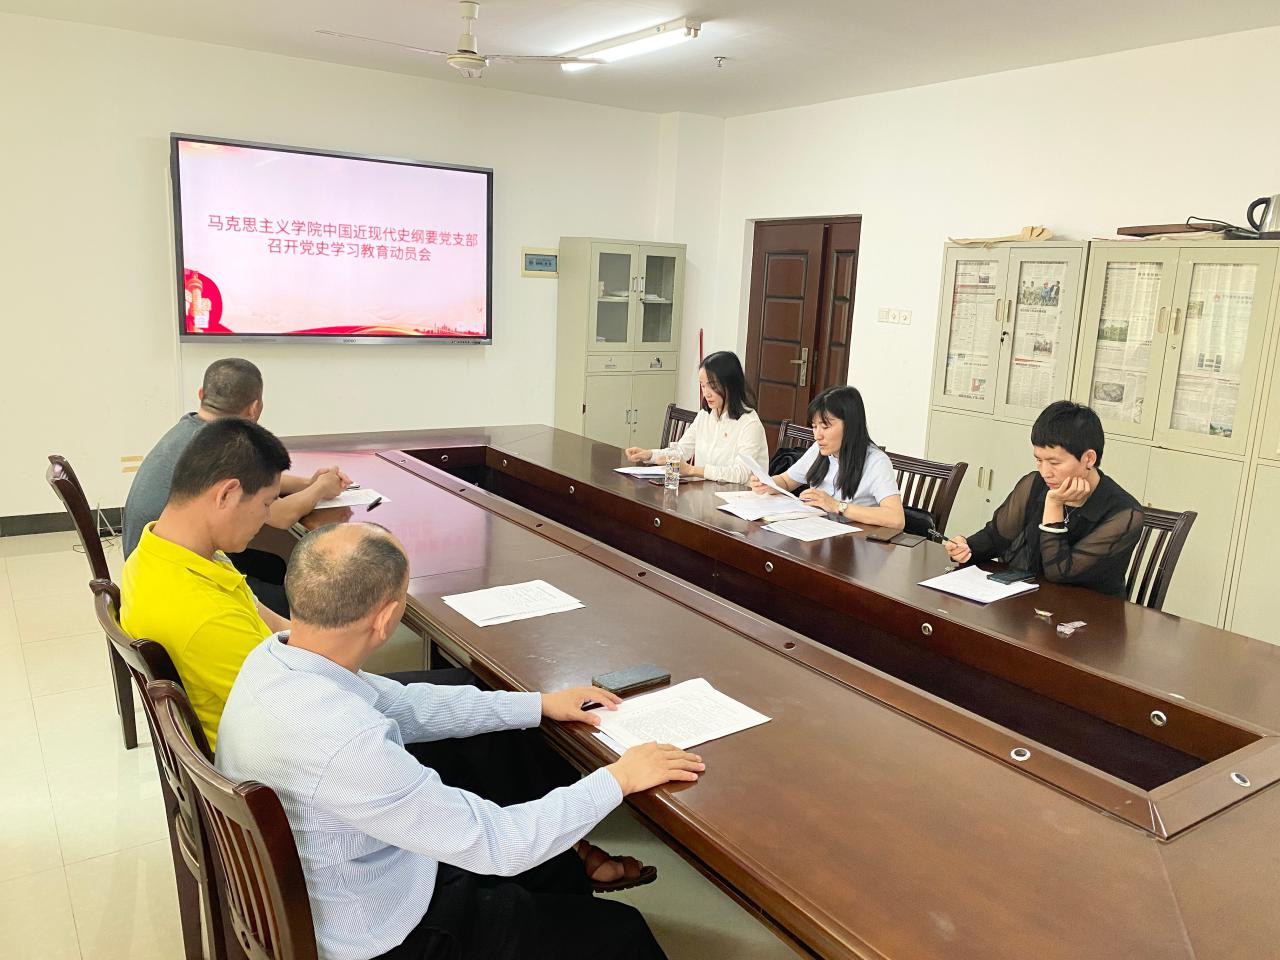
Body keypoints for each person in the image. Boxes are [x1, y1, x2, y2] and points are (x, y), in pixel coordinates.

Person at [217, 522, 702, 960]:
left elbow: (407, 704)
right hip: (383, 932)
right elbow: (499, 843)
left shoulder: (275, 660)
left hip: (351, 881)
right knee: (623, 933)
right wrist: (618, 778)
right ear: (386, 619)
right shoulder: (348, 745)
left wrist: (538, 705)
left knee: (544, 872)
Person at [122, 357, 350, 614]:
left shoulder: (193, 429)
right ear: (254, 408)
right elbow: (281, 516)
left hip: (147, 559)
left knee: (273, 565)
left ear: (201, 395)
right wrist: (319, 489)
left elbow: (252, 479)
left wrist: (307, 483)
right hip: (175, 575)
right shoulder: (223, 445)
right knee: (296, 598)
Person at [121, 417, 294, 750]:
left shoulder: (156, 552)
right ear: (226, 494)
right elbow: (297, 714)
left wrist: (318, 644)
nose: (266, 518)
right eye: (266, 504)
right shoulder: (205, 616)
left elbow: (266, 617)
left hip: (264, 711)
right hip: (267, 755)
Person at [943, 400, 1144, 597]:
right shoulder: (1034, 483)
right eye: (1039, 460)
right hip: (1031, 602)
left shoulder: (1124, 514)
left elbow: (1060, 571)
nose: (1045, 472)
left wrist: (1054, 505)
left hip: (1089, 612)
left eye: (1054, 462)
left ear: (1089, 459)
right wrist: (966, 546)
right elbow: (996, 537)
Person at [750, 385, 905, 528]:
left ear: (850, 426)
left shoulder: (876, 462)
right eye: (814, 426)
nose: (817, 435)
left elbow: (896, 518)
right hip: (816, 532)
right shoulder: (818, 449)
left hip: (853, 541)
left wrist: (836, 506)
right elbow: (786, 481)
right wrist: (769, 484)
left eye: (825, 427)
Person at [624, 351, 769, 484]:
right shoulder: (705, 415)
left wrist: (691, 470)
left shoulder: (749, 423)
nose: (706, 393)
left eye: (712, 385)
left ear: (730, 384)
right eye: (703, 386)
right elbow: (681, 451)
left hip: (737, 498)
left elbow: (741, 474)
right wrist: (649, 455)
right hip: (706, 493)